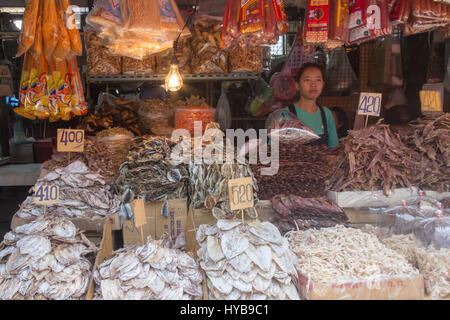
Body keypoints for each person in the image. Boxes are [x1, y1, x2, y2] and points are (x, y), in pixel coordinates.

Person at [287, 63, 339, 148]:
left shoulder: (326, 114)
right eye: (307, 80)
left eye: (318, 80)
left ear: (323, 84)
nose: (313, 84)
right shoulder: (286, 114)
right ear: (297, 85)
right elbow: (273, 150)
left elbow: (334, 148)